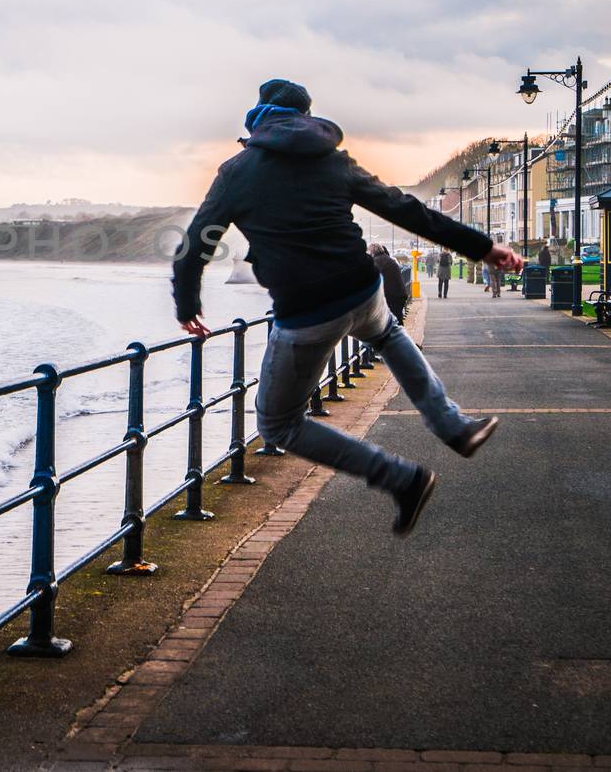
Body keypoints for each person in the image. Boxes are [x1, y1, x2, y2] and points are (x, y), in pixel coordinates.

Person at [172, 79, 523, 536]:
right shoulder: (332, 159)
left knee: (279, 425)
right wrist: (482, 247)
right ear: (306, 116)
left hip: (306, 311)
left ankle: (400, 478)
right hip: (362, 288)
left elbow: (197, 242)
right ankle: (452, 424)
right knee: (388, 333)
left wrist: (186, 304)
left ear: (258, 116)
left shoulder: (238, 170)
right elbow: (408, 210)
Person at [370, 243, 408, 324]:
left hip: (391, 297)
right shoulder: (388, 259)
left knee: (391, 323)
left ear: (372, 252)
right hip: (399, 294)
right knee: (397, 320)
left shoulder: (377, 261)